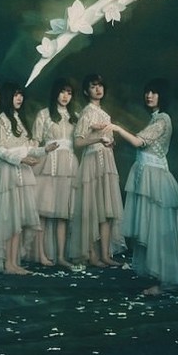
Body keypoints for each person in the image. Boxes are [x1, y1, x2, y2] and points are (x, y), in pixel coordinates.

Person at [110, 78, 178, 295]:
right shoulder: (156, 118)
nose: (149, 96)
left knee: (159, 229)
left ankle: (168, 280)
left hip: (156, 181)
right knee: (153, 228)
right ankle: (163, 278)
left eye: (154, 92)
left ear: (162, 96)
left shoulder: (163, 119)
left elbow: (139, 142)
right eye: (147, 92)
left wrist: (116, 128)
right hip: (148, 177)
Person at [0, 83, 56, 274]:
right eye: (15, 95)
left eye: (21, 95)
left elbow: (27, 148)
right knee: (8, 219)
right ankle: (7, 263)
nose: (19, 98)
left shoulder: (18, 119)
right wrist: (20, 159)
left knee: (18, 219)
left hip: (22, 173)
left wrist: (44, 149)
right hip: (8, 174)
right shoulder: (2, 121)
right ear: (7, 97)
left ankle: (13, 262)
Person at [70, 74, 124, 267]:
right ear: (86, 91)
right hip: (92, 162)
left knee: (107, 209)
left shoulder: (105, 114)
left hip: (106, 162)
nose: (98, 89)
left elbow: (109, 139)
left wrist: (109, 142)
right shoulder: (86, 113)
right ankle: (92, 255)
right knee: (93, 209)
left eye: (100, 86)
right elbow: (78, 142)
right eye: (93, 87)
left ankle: (106, 254)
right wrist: (98, 138)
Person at [30, 77, 78, 268]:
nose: (65, 96)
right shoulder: (44, 114)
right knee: (43, 210)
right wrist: (30, 158)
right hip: (48, 164)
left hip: (69, 166)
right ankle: (41, 254)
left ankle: (61, 256)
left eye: (69, 93)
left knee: (62, 213)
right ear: (55, 93)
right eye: (62, 92)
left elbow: (81, 138)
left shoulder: (74, 116)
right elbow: (35, 140)